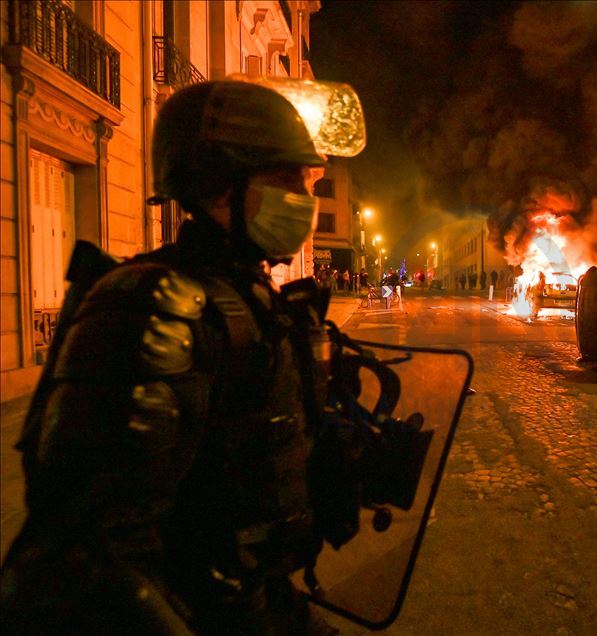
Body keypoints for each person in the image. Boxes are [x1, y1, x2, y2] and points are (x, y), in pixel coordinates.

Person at [0, 80, 341, 634]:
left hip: (254, 600)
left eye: (304, 181)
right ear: (217, 186)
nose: (304, 199)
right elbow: (92, 554)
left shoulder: (253, 297)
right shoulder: (150, 307)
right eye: (284, 179)